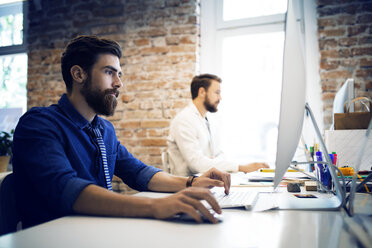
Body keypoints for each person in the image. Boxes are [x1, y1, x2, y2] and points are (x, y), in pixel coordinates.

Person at [12, 36, 231, 228]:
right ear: (78, 74)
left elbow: (138, 173)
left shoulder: (104, 129)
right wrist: (156, 205)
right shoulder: (39, 124)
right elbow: (66, 189)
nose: (119, 83)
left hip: (96, 231)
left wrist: (192, 182)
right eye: (109, 72)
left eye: (119, 74)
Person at [167, 74, 269, 176]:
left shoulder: (208, 120)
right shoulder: (184, 120)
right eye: (217, 93)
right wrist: (242, 167)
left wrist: (210, 161)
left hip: (204, 182)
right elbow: (196, 164)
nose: (220, 98)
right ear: (202, 92)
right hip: (186, 185)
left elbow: (219, 154)